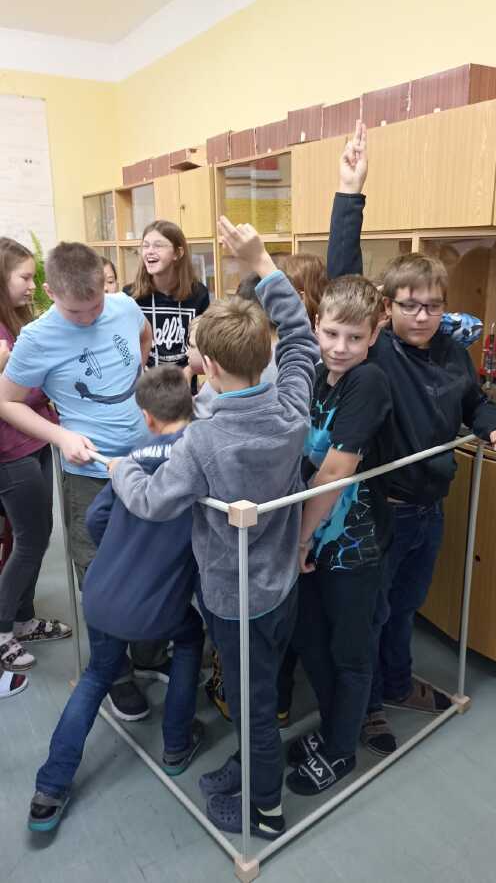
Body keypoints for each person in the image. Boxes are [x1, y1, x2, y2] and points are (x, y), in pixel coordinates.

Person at [109, 215, 320, 840]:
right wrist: (263, 264)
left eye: (199, 352)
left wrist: (122, 469)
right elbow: (302, 341)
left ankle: (266, 811)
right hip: (282, 584)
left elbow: (153, 502)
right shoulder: (291, 404)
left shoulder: (201, 440)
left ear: (215, 368)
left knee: (253, 706)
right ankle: (253, 768)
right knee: (263, 683)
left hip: (234, 598)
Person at [327, 123, 496, 756]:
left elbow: (473, 404)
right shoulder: (378, 354)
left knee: (406, 607)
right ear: (387, 309)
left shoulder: (453, 352)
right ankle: (370, 706)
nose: (422, 315)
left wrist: (494, 422)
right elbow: (343, 274)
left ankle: (397, 683)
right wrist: (351, 191)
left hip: (430, 509)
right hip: (383, 511)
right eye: (408, 304)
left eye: (431, 304)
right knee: (374, 613)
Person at [28, 365, 204, 833]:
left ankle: (49, 790)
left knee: (96, 675)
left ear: (146, 417)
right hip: (156, 605)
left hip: (102, 593)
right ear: (191, 405)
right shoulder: (198, 460)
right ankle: (176, 743)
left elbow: (95, 522)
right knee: (191, 637)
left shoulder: (131, 460)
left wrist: (127, 550)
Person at [0, 241, 167, 721]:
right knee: (99, 578)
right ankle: (115, 672)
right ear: (51, 293)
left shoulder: (123, 306)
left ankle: (150, 652)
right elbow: (6, 401)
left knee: (153, 562)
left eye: (96, 304)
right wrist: (60, 435)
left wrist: (142, 390)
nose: (91, 316)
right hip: (90, 475)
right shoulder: (37, 338)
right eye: (77, 311)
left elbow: (143, 337)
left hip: (145, 462)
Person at [283, 277, 393, 795]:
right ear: (316, 326)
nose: (341, 347)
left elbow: (334, 472)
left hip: (352, 544)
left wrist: (301, 539)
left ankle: (341, 750)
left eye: (354, 337)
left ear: (374, 335)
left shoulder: (367, 382)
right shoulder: (318, 376)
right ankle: (332, 730)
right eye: (331, 334)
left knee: (349, 651)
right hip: (313, 535)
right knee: (312, 642)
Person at [0, 237, 70, 673]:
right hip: (11, 451)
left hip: (36, 441)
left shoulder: (19, 322)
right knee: (29, 540)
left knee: (38, 535)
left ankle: (22, 619)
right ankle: (2, 629)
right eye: (24, 277)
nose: (32, 285)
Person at [126, 220, 209, 370]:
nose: (150, 251)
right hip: (145, 382)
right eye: (145, 246)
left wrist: (189, 372)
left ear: (178, 253)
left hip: (184, 382)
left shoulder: (199, 294)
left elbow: (206, 347)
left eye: (158, 246)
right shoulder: (129, 296)